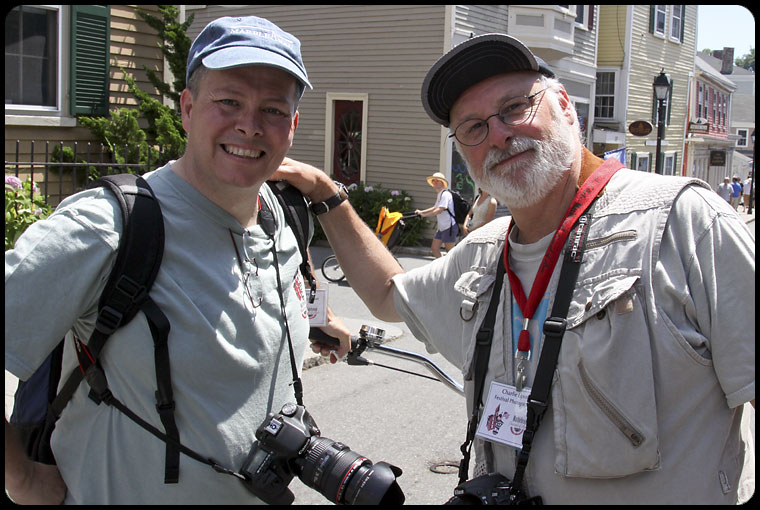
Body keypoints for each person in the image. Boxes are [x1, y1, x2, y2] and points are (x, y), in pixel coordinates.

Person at [275, 33, 754, 504]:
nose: (499, 134)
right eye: (474, 128)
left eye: (514, 108)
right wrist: (326, 195)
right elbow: (385, 293)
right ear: (464, 152)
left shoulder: (684, 223)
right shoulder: (482, 254)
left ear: (565, 105)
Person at [5, 15, 351, 505]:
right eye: (228, 101)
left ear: (292, 126)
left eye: (273, 109)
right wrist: (21, 478)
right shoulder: (109, 227)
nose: (249, 125)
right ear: (187, 108)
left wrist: (318, 319)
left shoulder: (284, 213)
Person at [414, 172, 458, 257]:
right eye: (433, 181)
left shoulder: (445, 194)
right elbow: (435, 207)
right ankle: (442, 266)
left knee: (450, 253)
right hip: (442, 227)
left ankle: (453, 268)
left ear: (442, 183)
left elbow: (439, 210)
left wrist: (424, 215)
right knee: (434, 248)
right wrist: (421, 212)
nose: (434, 182)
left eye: (437, 181)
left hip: (449, 227)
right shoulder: (440, 194)